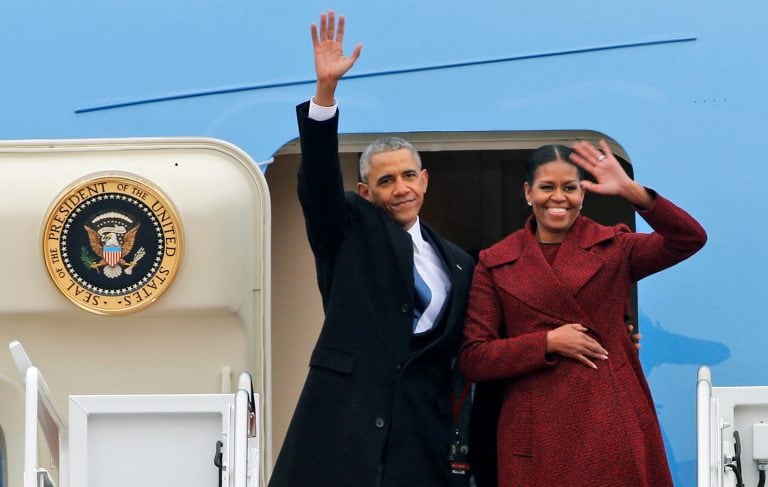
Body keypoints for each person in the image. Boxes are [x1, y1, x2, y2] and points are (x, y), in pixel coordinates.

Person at [268, 11, 475, 487]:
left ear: (424, 181)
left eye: (407, 176)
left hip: (418, 439)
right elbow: (318, 186)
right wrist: (325, 96)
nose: (399, 188)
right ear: (366, 193)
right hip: (342, 426)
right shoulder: (347, 228)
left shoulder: (460, 262)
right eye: (385, 180)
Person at [459, 141, 706, 486]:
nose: (558, 197)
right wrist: (547, 343)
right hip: (534, 432)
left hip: (609, 420)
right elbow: (475, 358)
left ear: (582, 195)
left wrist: (629, 190)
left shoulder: (615, 247)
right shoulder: (495, 261)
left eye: (569, 188)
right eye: (547, 187)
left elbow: (689, 238)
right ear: (528, 192)